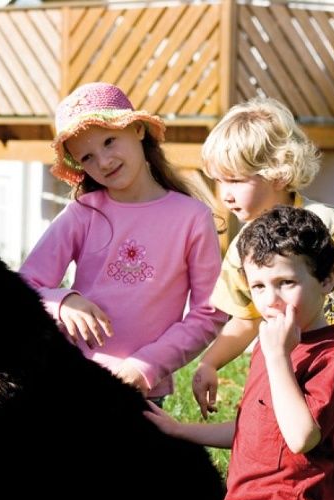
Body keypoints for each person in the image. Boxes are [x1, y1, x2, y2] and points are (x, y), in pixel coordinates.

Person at [146, 205, 334, 500]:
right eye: (259, 286)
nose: (271, 300)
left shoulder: (333, 357)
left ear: (326, 280)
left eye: (286, 282)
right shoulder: (268, 347)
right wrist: (179, 429)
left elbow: (301, 437)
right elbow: (253, 431)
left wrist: (278, 356)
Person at [192, 97, 334, 500]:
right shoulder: (246, 243)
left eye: (235, 180)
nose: (224, 193)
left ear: (278, 173)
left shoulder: (327, 224)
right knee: (298, 464)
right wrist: (210, 362)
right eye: (217, 180)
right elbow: (245, 317)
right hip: (289, 372)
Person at [19, 81, 226, 403]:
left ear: (138, 129)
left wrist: (144, 367)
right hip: (66, 377)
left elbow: (209, 313)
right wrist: (63, 302)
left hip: (140, 390)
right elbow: (23, 286)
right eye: (87, 157)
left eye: (110, 141)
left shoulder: (192, 218)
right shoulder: (82, 213)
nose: (102, 162)